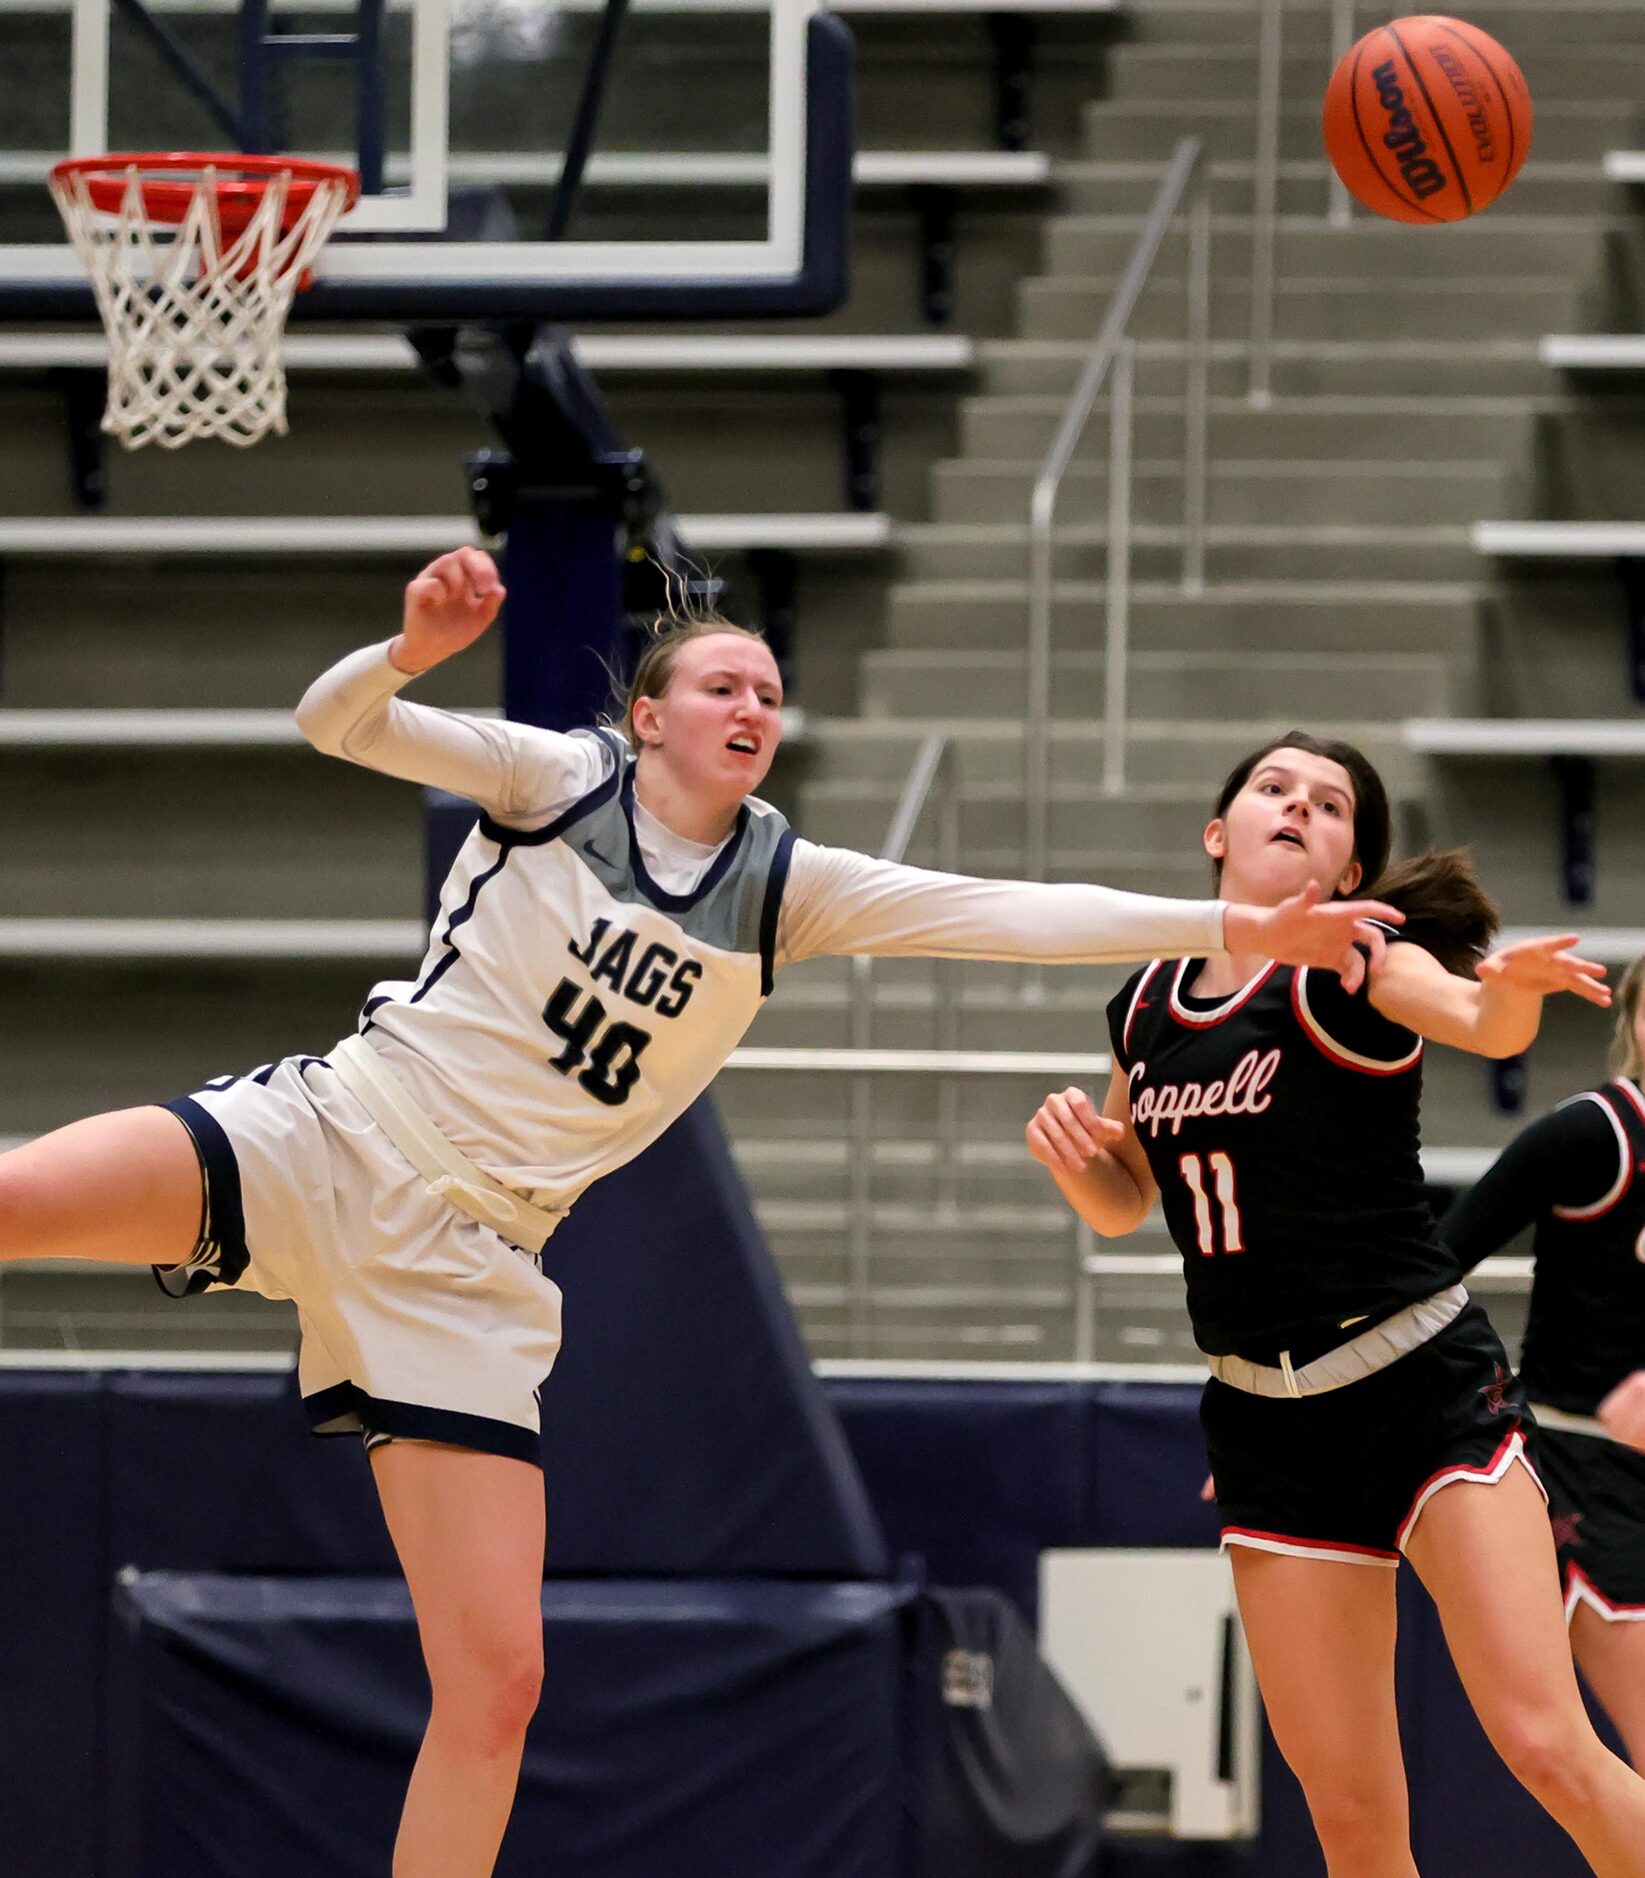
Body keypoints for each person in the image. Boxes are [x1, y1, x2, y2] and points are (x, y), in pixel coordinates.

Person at [0, 553, 1400, 1878]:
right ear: (647, 715)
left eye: (769, 696)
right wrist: (413, 651)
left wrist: (1236, 930)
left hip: (472, 1265)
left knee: (497, 1684)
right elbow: (334, 722)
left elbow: (1012, 911)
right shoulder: (555, 778)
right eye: (723, 685)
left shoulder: (787, 887)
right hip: (338, 1131)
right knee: (18, 1202)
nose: (751, 707)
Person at [1024, 731, 1645, 1878]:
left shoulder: (1357, 964)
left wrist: (1506, 1001)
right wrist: (1080, 1166)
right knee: (1351, 1818)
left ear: (1349, 871)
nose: (1298, 807)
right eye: (1273, 789)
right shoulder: (1143, 1005)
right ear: (1220, 832)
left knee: (1544, 1744)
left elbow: (1481, 1025)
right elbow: (1127, 1201)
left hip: (1423, 1392)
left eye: (1329, 804)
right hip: (1266, 1419)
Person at [1440, 954, 1645, 1766]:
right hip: (1584, 1469)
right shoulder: (1591, 1135)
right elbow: (1429, 1265)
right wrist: (1298, 1403)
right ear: (1633, 1021)